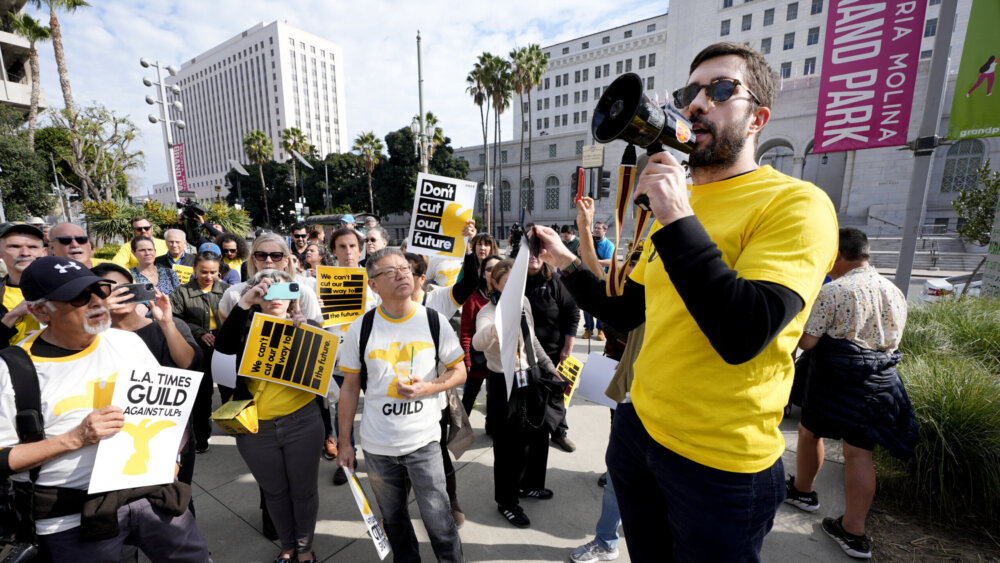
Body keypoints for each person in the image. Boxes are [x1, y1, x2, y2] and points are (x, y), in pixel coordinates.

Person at [533, 42, 838, 560]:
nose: (697, 104)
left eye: (720, 90)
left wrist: (676, 215)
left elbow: (742, 332)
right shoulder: (678, 205)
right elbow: (631, 310)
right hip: (639, 432)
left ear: (758, 118)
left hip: (720, 466)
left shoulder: (795, 204)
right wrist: (564, 260)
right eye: (687, 93)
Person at [0, 256, 209, 560]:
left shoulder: (127, 343)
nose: (96, 302)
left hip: (152, 496)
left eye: (99, 290)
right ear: (39, 310)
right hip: (70, 518)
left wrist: (170, 460)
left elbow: (164, 412)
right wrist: (75, 438)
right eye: (78, 297)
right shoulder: (11, 369)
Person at [786, 228, 917, 559]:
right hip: (879, 382)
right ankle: (853, 531)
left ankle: (803, 492)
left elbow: (807, 342)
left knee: (809, 432)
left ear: (838, 256)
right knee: (859, 453)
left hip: (834, 378)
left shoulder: (833, 292)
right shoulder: (894, 291)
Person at [336, 247, 466, 562]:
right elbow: (350, 389)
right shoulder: (361, 328)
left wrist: (427, 387)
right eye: (389, 271)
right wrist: (344, 443)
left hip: (423, 442)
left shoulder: (433, 320)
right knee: (394, 520)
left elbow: (459, 371)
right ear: (373, 285)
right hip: (378, 448)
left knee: (440, 523)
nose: (402, 274)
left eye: (405, 268)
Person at [215, 270, 324, 563]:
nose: (276, 298)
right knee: (274, 492)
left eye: (284, 290)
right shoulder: (242, 329)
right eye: (268, 292)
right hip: (255, 429)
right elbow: (221, 348)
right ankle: (288, 546)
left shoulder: (309, 326)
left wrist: (306, 329)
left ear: (294, 296)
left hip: (303, 423)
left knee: (304, 492)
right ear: (257, 297)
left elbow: (324, 371)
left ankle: (304, 548)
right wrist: (245, 302)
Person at [93, 262, 202, 485]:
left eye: (124, 288)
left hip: (172, 437)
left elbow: (189, 364)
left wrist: (167, 324)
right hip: (114, 439)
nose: (118, 295)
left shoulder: (169, 324)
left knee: (178, 503)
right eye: (106, 291)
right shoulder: (92, 337)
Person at [472, 258, 559, 529]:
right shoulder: (488, 313)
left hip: (531, 376)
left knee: (536, 435)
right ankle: (507, 502)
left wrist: (548, 367)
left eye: (517, 282)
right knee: (508, 447)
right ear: (495, 284)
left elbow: (532, 339)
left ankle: (529, 485)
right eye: (507, 283)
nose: (514, 289)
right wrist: (495, 330)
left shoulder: (524, 304)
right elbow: (478, 341)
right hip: (504, 383)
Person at [168, 252, 231, 455]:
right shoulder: (181, 293)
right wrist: (199, 332)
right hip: (197, 347)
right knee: (202, 394)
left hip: (224, 344)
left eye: (213, 272)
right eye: (203, 272)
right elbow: (175, 320)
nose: (208, 276)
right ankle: (201, 437)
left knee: (229, 389)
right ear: (194, 269)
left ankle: (233, 424)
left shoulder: (227, 291)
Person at [525, 254, 580, 453]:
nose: (532, 256)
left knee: (554, 397)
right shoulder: (516, 282)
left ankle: (558, 433)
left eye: (537, 251)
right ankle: (530, 432)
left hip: (553, 352)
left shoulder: (555, 282)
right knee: (528, 396)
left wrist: (568, 347)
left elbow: (573, 313)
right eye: (528, 250)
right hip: (523, 354)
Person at [459, 254, 501, 417]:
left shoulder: (510, 297)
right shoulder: (473, 298)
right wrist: (467, 358)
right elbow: (466, 331)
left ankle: (491, 427)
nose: (494, 272)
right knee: (468, 399)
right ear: (483, 273)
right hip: (477, 361)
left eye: (498, 268)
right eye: (489, 269)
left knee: (494, 400)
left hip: (497, 361)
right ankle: (459, 432)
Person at [0, 223, 45, 347]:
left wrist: (52, 336)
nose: (25, 253)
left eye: (32, 247)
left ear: (43, 252)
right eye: (14, 246)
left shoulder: (65, 286)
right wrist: (13, 315)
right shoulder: (2, 293)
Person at [581, 221, 614, 341]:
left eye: (599, 228)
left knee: (600, 305)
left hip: (601, 278)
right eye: (595, 228)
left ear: (605, 230)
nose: (596, 230)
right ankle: (589, 329)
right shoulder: (589, 242)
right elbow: (581, 255)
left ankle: (601, 329)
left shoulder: (609, 245)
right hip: (587, 277)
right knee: (586, 305)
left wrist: (593, 261)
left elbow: (609, 261)